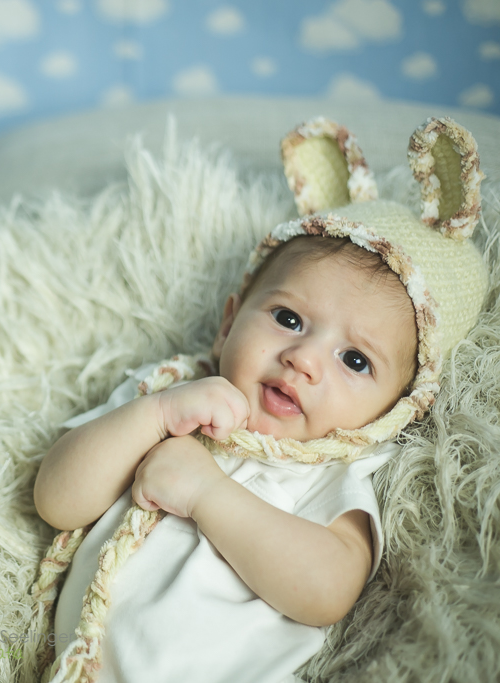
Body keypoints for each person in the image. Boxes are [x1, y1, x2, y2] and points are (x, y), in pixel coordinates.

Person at [31, 116, 488, 683]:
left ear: (396, 409)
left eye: (355, 360)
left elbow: (327, 589)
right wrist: (156, 416)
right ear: (228, 325)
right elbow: (56, 499)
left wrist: (206, 493)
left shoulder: (333, 468)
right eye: (289, 318)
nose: (303, 358)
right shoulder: (166, 398)